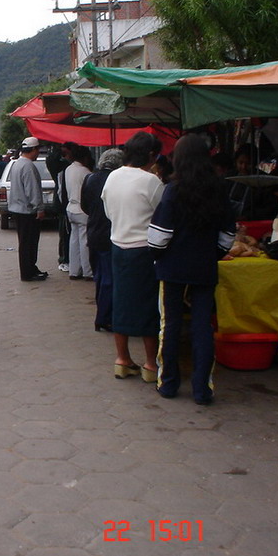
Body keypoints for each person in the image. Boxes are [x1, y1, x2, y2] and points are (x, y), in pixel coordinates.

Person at [148, 135, 236, 405]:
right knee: (202, 326)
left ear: (180, 159)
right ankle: (202, 390)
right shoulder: (220, 188)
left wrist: (158, 257)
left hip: (172, 268)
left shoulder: (173, 190)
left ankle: (169, 384)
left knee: (170, 325)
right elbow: (228, 235)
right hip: (204, 268)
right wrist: (212, 255)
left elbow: (159, 236)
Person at [101, 132, 165, 381]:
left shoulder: (112, 177)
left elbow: (108, 213)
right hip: (144, 250)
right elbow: (162, 216)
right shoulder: (151, 182)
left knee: (122, 302)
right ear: (151, 155)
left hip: (118, 246)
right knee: (148, 306)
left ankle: (122, 359)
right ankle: (150, 364)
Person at [80, 148, 124, 332]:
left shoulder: (90, 179)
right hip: (110, 233)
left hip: (94, 231)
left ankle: (103, 312)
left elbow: (85, 206)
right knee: (109, 278)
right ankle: (104, 317)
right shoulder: (118, 181)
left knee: (99, 276)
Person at [8, 136, 48, 281]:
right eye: (38, 150)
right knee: (29, 244)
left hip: (18, 210)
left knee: (25, 243)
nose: (38, 153)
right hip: (27, 211)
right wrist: (39, 208)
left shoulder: (17, 164)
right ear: (33, 150)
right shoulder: (28, 166)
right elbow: (32, 190)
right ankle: (28, 272)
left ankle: (30, 268)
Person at [64, 143, 94, 281]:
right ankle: (88, 271)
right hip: (82, 210)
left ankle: (74, 270)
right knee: (84, 241)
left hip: (71, 208)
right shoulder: (86, 173)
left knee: (74, 240)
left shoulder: (68, 169)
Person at [46, 142, 72, 272]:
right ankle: (64, 259)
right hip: (64, 206)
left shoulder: (66, 168)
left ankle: (67, 258)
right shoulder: (61, 168)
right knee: (65, 234)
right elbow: (51, 159)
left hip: (66, 206)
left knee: (68, 235)